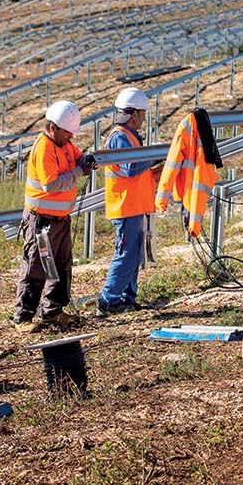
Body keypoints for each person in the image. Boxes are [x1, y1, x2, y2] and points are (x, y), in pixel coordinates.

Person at [14, 100, 95, 331]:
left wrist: (85, 159)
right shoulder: (44, 149)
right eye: (67, 132)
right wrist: (80, 171)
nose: (71, 137)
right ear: (53, 128)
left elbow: (77, 156)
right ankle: (24, 317)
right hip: (41, 221)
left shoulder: (65, 144)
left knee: (61, 266)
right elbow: (51, 184)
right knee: (36, 267)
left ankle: (52, 312)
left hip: (60, 219)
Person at [98, 87, 161, 316]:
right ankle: (108, 299)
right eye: (142, 113)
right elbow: (131, 168)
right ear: (134, 114)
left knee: (134, 254)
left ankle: (126, 297)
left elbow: (139, 172)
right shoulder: (120, 137)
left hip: (135, 205)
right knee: (126, 254)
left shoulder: (131, 136)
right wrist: (155, 155)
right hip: (125, 206)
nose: (144, 118)